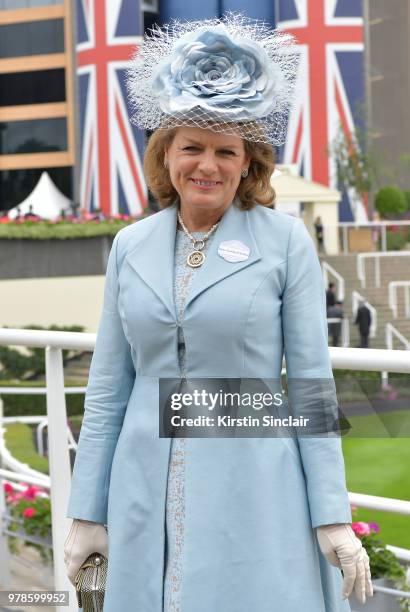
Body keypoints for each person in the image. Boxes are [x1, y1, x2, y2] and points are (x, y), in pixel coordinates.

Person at [64, 15, 372, 612]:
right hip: (141, 483)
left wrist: (332, 515)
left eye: (225, 151)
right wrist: (87, 511)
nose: (207, 164)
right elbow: (108, 389)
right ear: (167, 156)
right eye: (192, 148)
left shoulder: (284, 241)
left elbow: (310, 384)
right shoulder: (130, 245)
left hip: (254, 482)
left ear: (248, 163)